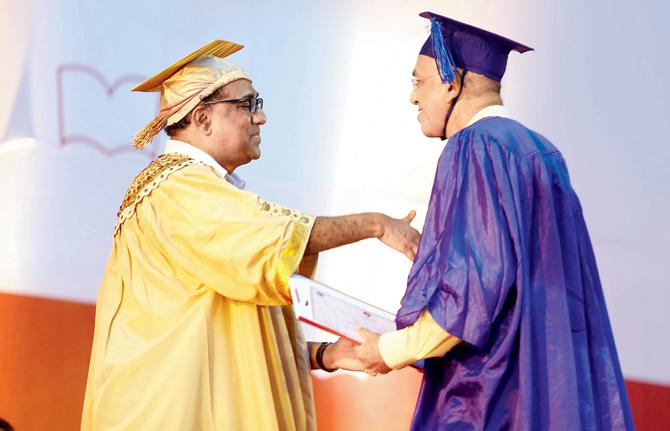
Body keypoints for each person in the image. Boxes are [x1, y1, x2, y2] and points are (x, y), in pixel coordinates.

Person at [81, 40, 420, 431]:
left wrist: (324, 355)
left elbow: (226, 324)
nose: (261, 118)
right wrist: (375, 224)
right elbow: (274, 244)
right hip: (174, 412)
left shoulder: (194, 190)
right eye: (247, 105)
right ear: (202, 117)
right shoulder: (179, 189)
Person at [353, 12, 634, 430]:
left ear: (451, 82)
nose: (413, 98)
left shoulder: (475, 148)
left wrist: (389, 350)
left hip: (489, 398)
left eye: (419, 82)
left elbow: (470, 295)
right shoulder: (540, 152)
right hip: (549, 388)